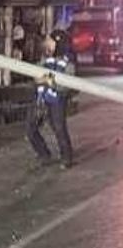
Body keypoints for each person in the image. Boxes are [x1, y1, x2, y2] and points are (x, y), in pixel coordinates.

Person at [26, 29, 75, 169]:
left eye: (51, 41)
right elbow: (37, 74)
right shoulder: (45, 58)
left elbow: (66, 85)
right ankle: (44, 155)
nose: (47, 43)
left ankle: (66, 157)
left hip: (57, 101)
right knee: (30, 129)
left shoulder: (68, 63)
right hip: (41, 98)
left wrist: (49, 81)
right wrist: (41, 79)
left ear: (59, 44)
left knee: (59, 128)